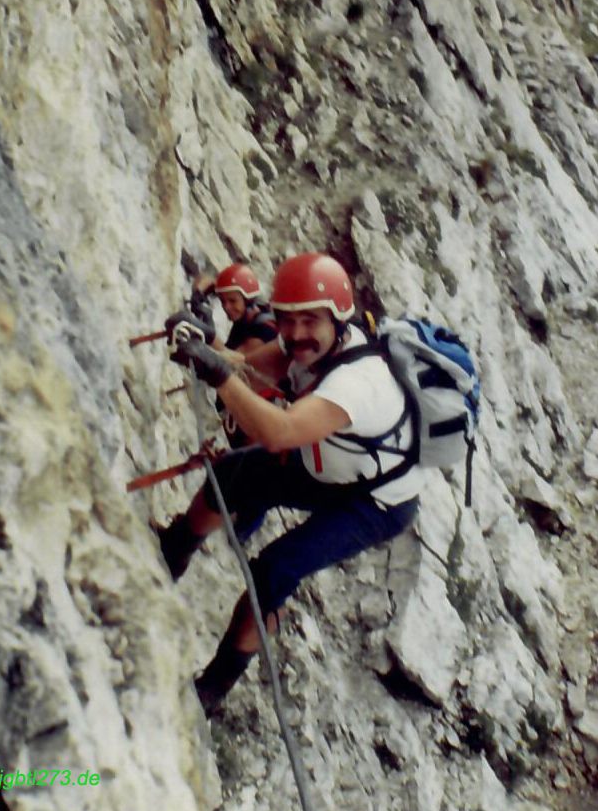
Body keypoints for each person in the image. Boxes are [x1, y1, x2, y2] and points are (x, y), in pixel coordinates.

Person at [160, 253, 423, 715]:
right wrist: (203, 343)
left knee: (273, 571)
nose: (297, 333)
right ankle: (172, 551)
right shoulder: (303, 347)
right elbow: (244, 365)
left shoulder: (358, 382)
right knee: (233, 474)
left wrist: (215, 371)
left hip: (375, 501)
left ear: (339, 319)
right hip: (332, 463)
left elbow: (278, 430)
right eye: (288, 320)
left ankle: (215, 687)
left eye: (310, 321)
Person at [190, 263, 278, 450]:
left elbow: (230, 360)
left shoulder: (265, 329)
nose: (227, 307)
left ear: (247, 299)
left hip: (255, 419)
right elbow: (206, 280)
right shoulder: (246, 318)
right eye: (223, 302)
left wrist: (205, 324)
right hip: (244, 414)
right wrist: (204, 291)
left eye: (232, 301)